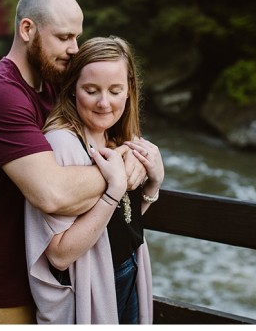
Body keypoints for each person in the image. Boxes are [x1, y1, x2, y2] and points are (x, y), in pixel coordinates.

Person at [0, 0, 147, 324]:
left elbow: (108, 126)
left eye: (77, 37)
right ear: (28, 30)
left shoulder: (54, 86)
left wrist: (133, 156)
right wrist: (122, 169)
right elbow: (52, 194)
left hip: (47, 288)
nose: (74, 49)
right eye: (64, 37)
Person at [24, 36, 164, 324]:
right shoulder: (61, 144)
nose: (104, 103)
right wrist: (113, 190)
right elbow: (60, 254)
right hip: (95, 284)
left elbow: (120, 221)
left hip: (129, 271)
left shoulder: (116, 136)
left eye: (115, 90)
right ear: (73, 90)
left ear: (129, 91)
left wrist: (153, 184)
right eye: (91, 90)